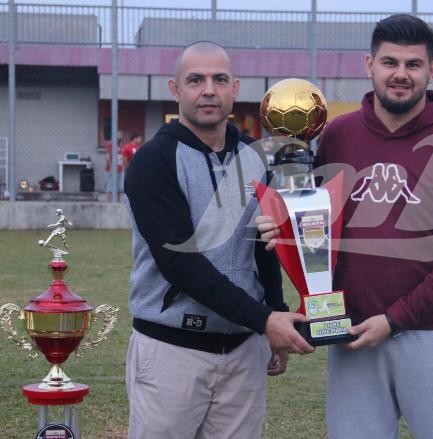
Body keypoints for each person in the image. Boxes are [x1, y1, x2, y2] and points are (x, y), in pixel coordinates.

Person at [259, 14, 433, 439]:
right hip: (353, 334)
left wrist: (396, 319)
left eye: (413, 64)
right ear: (369, 65)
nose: (400, 74)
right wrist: (285, 230)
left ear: (432, 71)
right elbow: (319, 230)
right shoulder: (338, 136)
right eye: (390, 63)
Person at [123, 41, 314, 439]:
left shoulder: (256, 157)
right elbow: (181, 264)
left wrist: (276, 313)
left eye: (219, 79)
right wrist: (266, 320)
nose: (208, 90)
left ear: (236, 88)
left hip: (244, 352)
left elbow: (265, 247)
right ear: (175, 90)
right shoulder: (153, 161)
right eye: (196, 80)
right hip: (172, 351)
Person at [105, 132, 123, 201]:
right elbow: (108, 156)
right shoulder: (111, 144)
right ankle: (109, 202)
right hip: (112, 169)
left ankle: (117, 202)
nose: (120, 137)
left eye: (121, 135)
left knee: (118, 187)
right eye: (119, 135)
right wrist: (110, 166)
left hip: (119, 169)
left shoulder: (120, 145)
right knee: (110, 186)